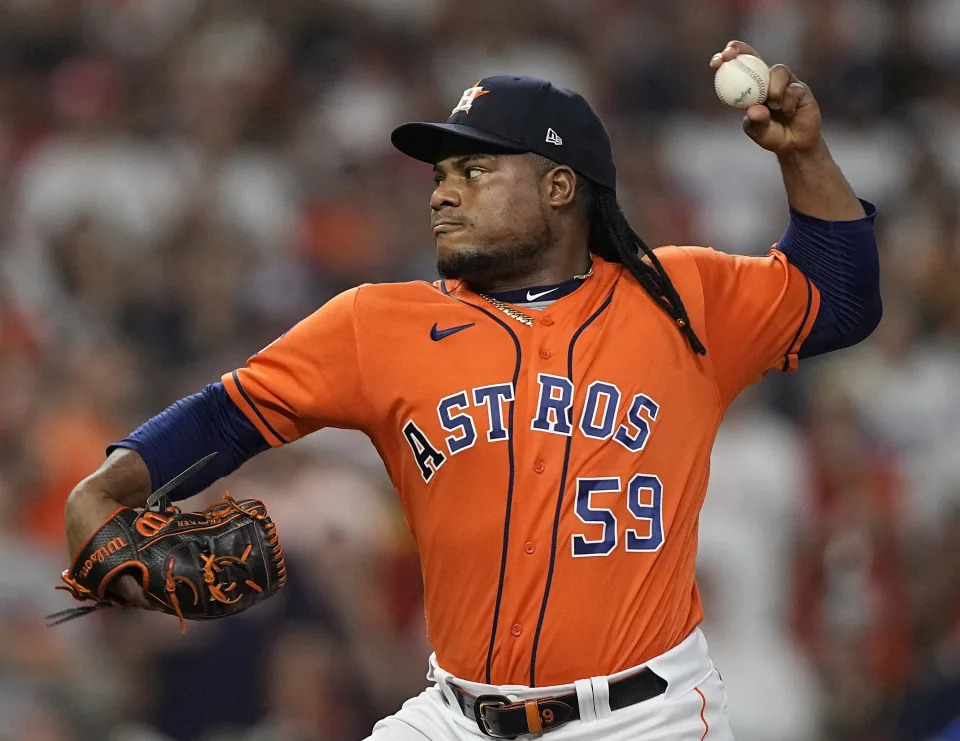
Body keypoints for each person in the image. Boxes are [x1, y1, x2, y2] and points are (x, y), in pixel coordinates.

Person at [63, 41, 881, 740]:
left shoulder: (681, 296)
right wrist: (111, 483)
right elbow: (226, 414)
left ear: (559, 187)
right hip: (454, 714)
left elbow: (839, 300)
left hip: (642, 716)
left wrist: (802, 154)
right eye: (440, 173)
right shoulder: (379, 324)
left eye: (475, 168)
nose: (442, 191)